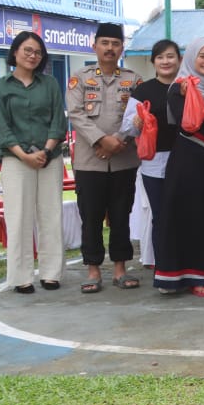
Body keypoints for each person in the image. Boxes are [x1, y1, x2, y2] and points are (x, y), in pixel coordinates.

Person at [0, 32, 67, 294]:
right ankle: (21, 277)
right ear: (15, 52)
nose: (33, 56)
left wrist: (45, 150)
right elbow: (1, 127)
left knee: (51, 215)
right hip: (15, 160)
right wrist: (23, 155)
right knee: (18, 217)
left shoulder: (50, 84)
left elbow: (58, 121)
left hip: (49, 157)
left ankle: (51, 273)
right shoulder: (0, 87)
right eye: (28, 50)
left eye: (38, 52)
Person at [66, 22, 142, 294]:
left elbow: (140, 116)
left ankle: (120, 269)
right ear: (95, 45)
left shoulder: (133, 80)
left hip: (124, 159)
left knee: (122, 215)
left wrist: (118, 142)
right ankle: (93, 270)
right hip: (90, 162)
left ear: (122, 47)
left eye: (115, 43)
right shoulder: (80, 78)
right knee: (92, 216)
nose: (110, 48)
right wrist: (102, 141)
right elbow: (76, 114)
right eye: (105, 43)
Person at [155, 38, 204, 296]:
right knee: (188, 217)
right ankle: (184, 276)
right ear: (191, 58)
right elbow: (188, 124)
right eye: (201, 56)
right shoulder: (179, 88)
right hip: (188, 161)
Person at [121, 38, 180, 270]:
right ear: (153, 61)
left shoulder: (187, 87)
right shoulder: (144, 90)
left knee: (184, 213)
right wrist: (136, 122)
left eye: (170, 56)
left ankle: (185, 264)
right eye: (160, 57)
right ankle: (164, 267)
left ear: (180, 59)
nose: (165, 61)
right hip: (155, 162)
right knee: (161, 215)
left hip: (186, 160)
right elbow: (128, 127)